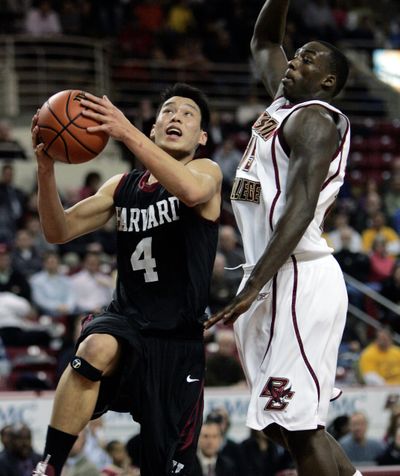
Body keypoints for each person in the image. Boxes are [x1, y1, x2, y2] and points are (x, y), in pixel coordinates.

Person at [32, 82, 222, 476]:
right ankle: (48, 466)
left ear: (201, 137)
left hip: (177, 340)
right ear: (153, 127)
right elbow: (58, 230)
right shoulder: (121, 187)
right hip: (127, 322)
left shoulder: (206, 171)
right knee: (95, 347)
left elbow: (188, 191)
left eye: (189, 115)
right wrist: (46, 170)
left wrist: (124, 131)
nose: (177, 117)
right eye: (169, 110)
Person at [205, 1, 358, 476]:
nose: (294, 61)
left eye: (308, 59)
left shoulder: (314, 119)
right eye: (298, 56)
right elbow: (265, 41)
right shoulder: (283, 106)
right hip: (271, 273)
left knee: (296, 423)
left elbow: (300, 208)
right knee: (281, 422)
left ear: (328, 81)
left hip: (296, 274)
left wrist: (253, 286)